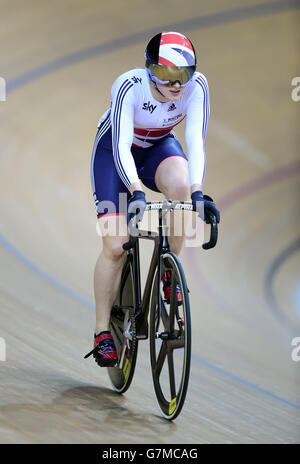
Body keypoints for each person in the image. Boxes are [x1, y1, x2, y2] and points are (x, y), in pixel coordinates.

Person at [85, 31, 220, 367]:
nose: (177, 85)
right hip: (115, 155)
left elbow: (195, 143)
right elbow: (119, 146)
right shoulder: (128, 86)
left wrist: (198, 192)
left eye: (184, 76)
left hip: (159, 149)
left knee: (180, 186)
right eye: (168, 77)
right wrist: (136, 190)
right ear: (150, 72)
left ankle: (167, 272)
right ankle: (102, 330)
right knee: (116, 247)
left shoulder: (197, 86)